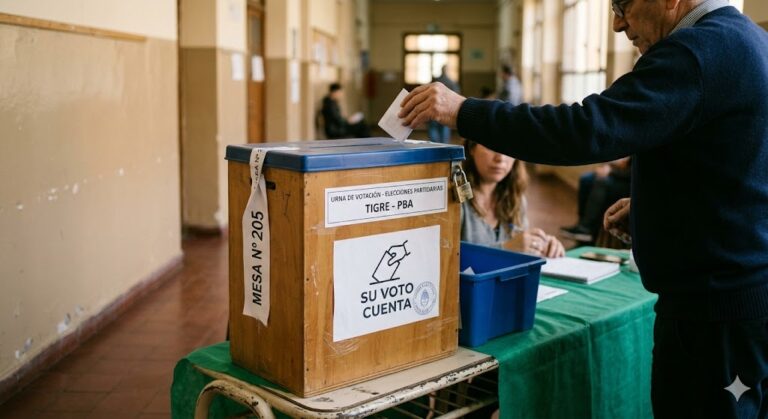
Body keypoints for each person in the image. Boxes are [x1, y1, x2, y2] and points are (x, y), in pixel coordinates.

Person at [398, 1, 768, 417]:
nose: (616, 23)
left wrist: (462, 111)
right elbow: (742, 167)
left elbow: (586, 128)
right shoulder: (752, 41)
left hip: (715, 315)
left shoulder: (698, 51)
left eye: (623, 5)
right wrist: (660, 207)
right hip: (740, 298)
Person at [461, 140, 565, 258]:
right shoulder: (455, 201)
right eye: (490, 146)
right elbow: (448, 262)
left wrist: (542, 245)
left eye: (508, 149)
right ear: (471, 148)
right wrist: (506, 248)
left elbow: (520, 247)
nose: (500, 158)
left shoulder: (516, 198)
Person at [560, 157, 631, 243]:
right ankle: (581, 225)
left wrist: (611, 172)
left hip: (628, 182)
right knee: (586, 179)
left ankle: (586, 228)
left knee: (602, 182)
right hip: (621, 170)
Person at [428, 66, 460, 143]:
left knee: (433, 127)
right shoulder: (452, 82)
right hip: (446, 109)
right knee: (444, 127)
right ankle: (444, 144)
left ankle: (433, 144)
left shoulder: (436, 81)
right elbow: (457, 95)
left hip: (433, 107)